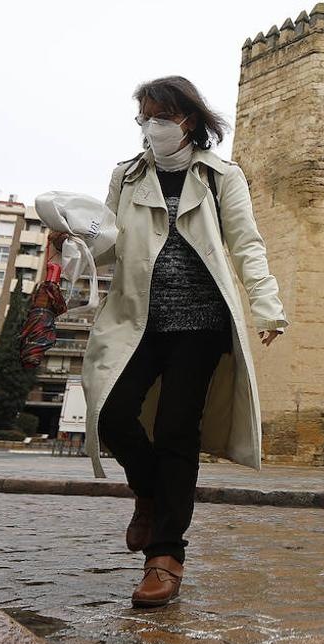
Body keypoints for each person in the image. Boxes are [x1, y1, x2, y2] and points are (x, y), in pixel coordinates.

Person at [75, 76, 286, 609]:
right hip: (137, 320)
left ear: (185, 119)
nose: (150, 126)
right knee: (112, 414)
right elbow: (108, 249)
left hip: (199, 325)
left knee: (176, 431)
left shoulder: (221, 175)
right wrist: (75, 239)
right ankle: (149, 493)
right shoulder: (126, 177)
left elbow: (246, 244)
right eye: (143, 117)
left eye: (158, 116)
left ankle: (165, 556)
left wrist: (267, 306)